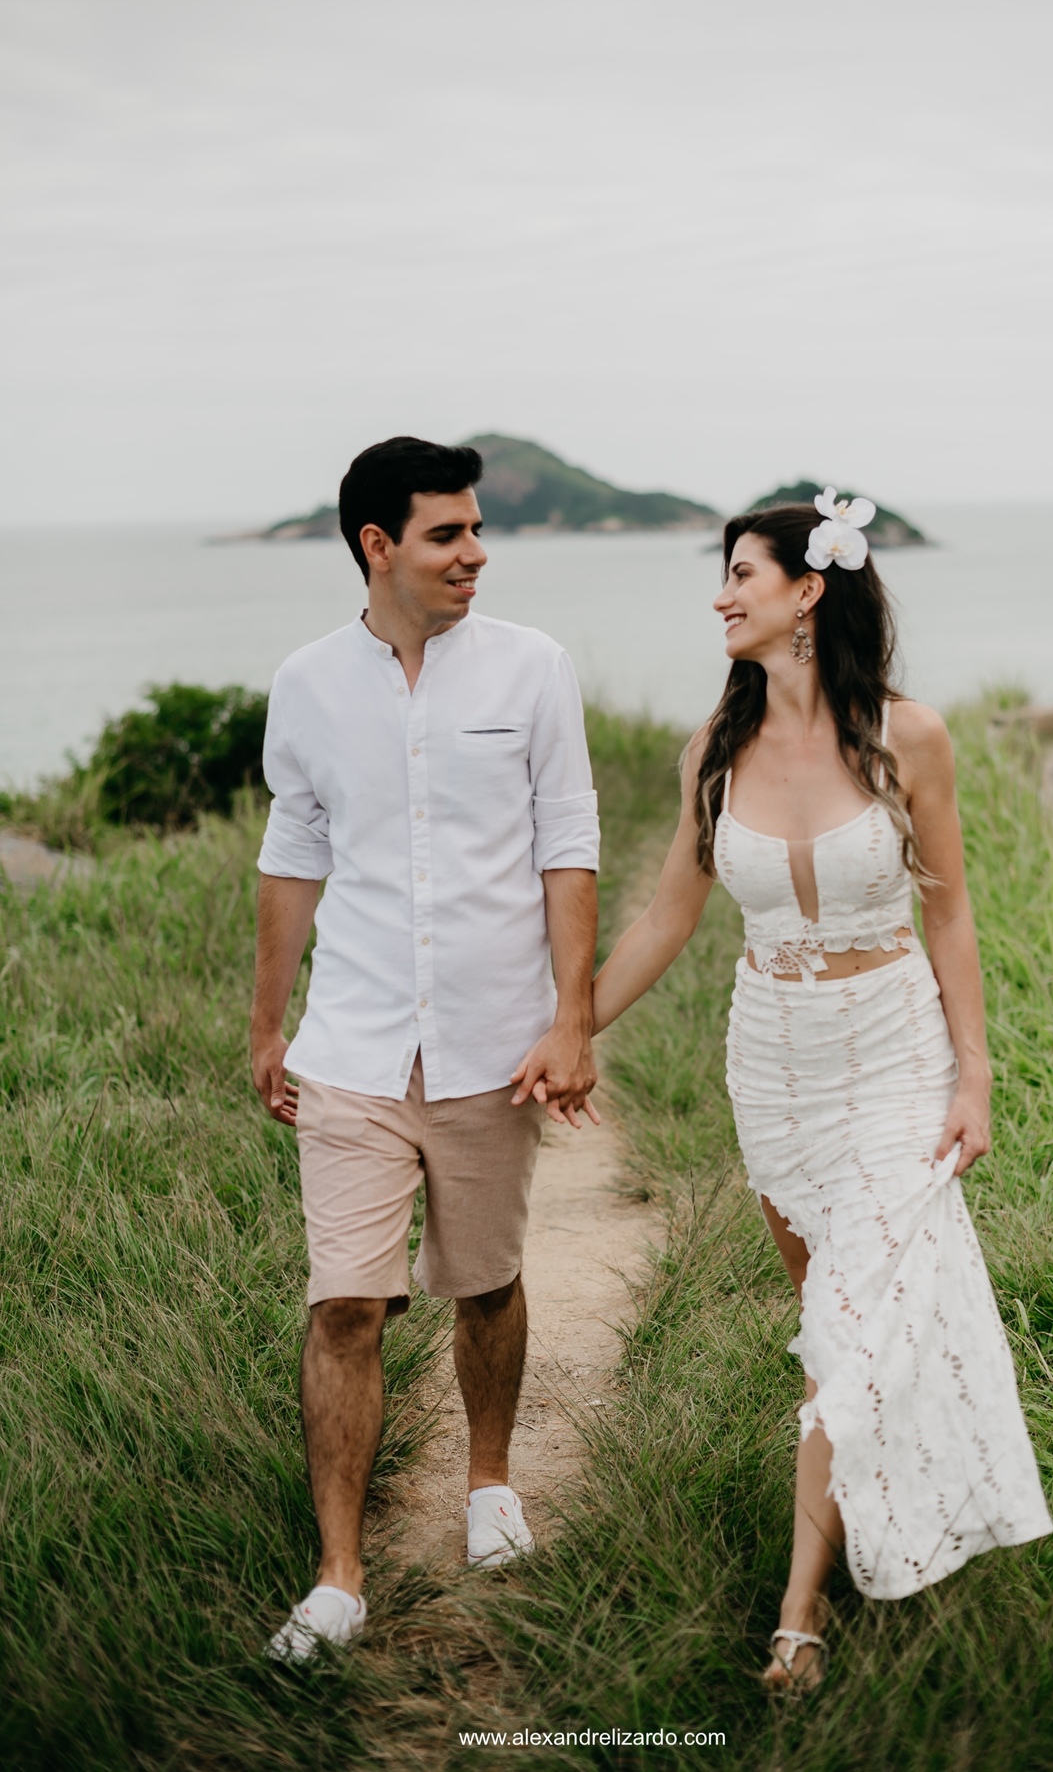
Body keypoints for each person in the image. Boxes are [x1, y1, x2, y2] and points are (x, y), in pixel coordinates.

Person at [588, 494, 1053, 1691]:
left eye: (741, 572)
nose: (720, 594)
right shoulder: (713, 750)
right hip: (777, 1066)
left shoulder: (911, 737)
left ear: (809, 591)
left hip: (896, 1053)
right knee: (832, 1330)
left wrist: (976, 1077)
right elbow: (664, 918)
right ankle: (868, 1514)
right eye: (723, 574)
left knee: (852, 1326)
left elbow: (946, 907)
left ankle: (801, 1608)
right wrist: (564, 1028)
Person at [251, 435, 601, 1664]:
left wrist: (572, 1017)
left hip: (492, 1043)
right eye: (448, 532)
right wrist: (265, 1023)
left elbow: (569, 843)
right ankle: (339, 1575)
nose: (476, 551)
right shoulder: (305, 683)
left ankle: (490, 1481)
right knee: (344, 1302)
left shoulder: (533, 669)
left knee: (485, 1281)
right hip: (350, 1043)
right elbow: (292, 858)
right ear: (377, 545)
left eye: (476, 527)